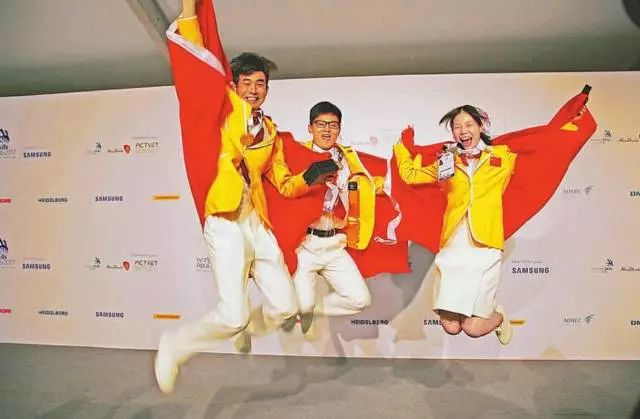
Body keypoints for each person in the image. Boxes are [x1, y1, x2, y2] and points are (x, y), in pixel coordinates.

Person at [155, 0, 331, 394]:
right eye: (246, 82)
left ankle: (247, 328)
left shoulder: (270, 131)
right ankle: (177, 345)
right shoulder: (220, 109)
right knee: (232, 316)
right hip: (224, 220)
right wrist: (190, 10)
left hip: (257, 223)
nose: (254, 89)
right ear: (233, 84)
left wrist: (311, 176)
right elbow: (197, 55)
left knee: (286, 307)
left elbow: (284, 184)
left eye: (260, 83)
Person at [265, 101, 409, 338]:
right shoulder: (295, 154)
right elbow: (283, 186)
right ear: (310, 127)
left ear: (339, 128)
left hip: (334, 244)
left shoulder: (347, 158)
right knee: (302, 304)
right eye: (321, 124)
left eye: (333, 125)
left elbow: (364, 184)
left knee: (360, 300)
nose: (327, 130)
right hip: (305, 245)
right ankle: (300, 310)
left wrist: (395, 184)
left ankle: (310, 311)